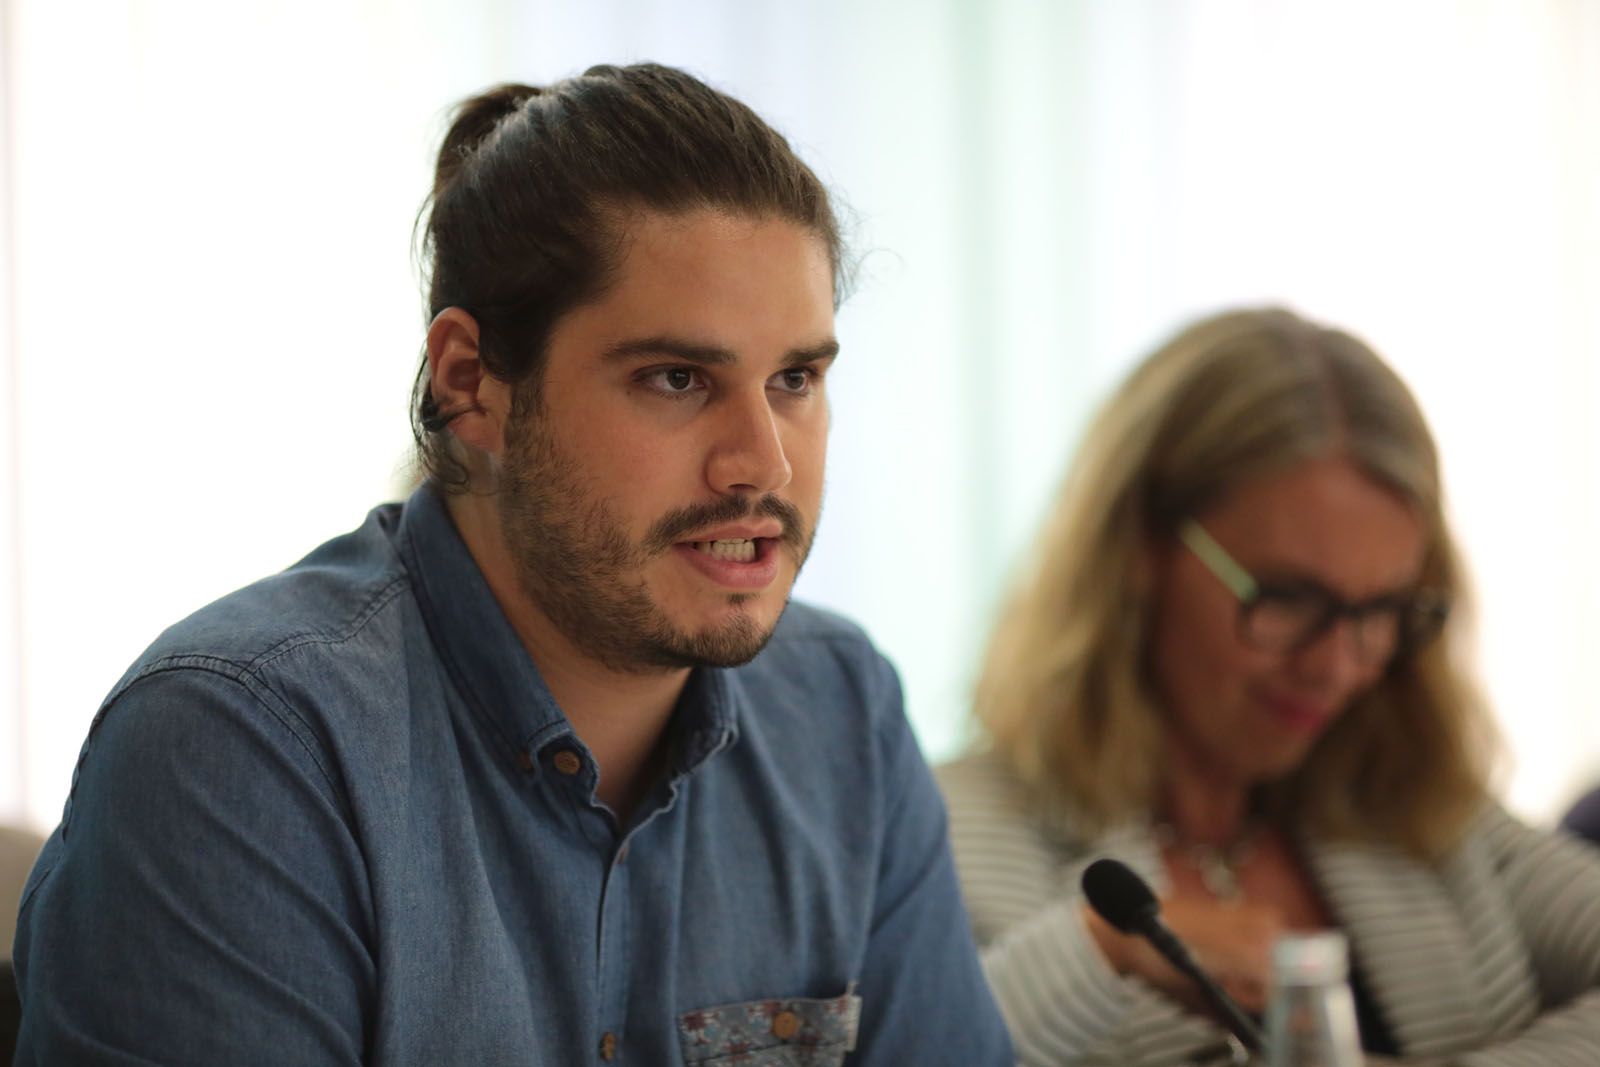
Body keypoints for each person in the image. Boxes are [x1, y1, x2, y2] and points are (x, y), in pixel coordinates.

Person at [12, 64, 1012, 1066]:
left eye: (795, 377)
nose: (764, 462)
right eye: (675, 378)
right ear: (470, 383)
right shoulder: (241, 745)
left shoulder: (843, 711)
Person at [937, 307, 1600, 1066]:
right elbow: (907, 1044)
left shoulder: (1421, 816)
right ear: (1137, 548)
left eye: (1379, 609)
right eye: (1287, 598)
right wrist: (1094, 950)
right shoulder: (947, 835)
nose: (1338, 666)